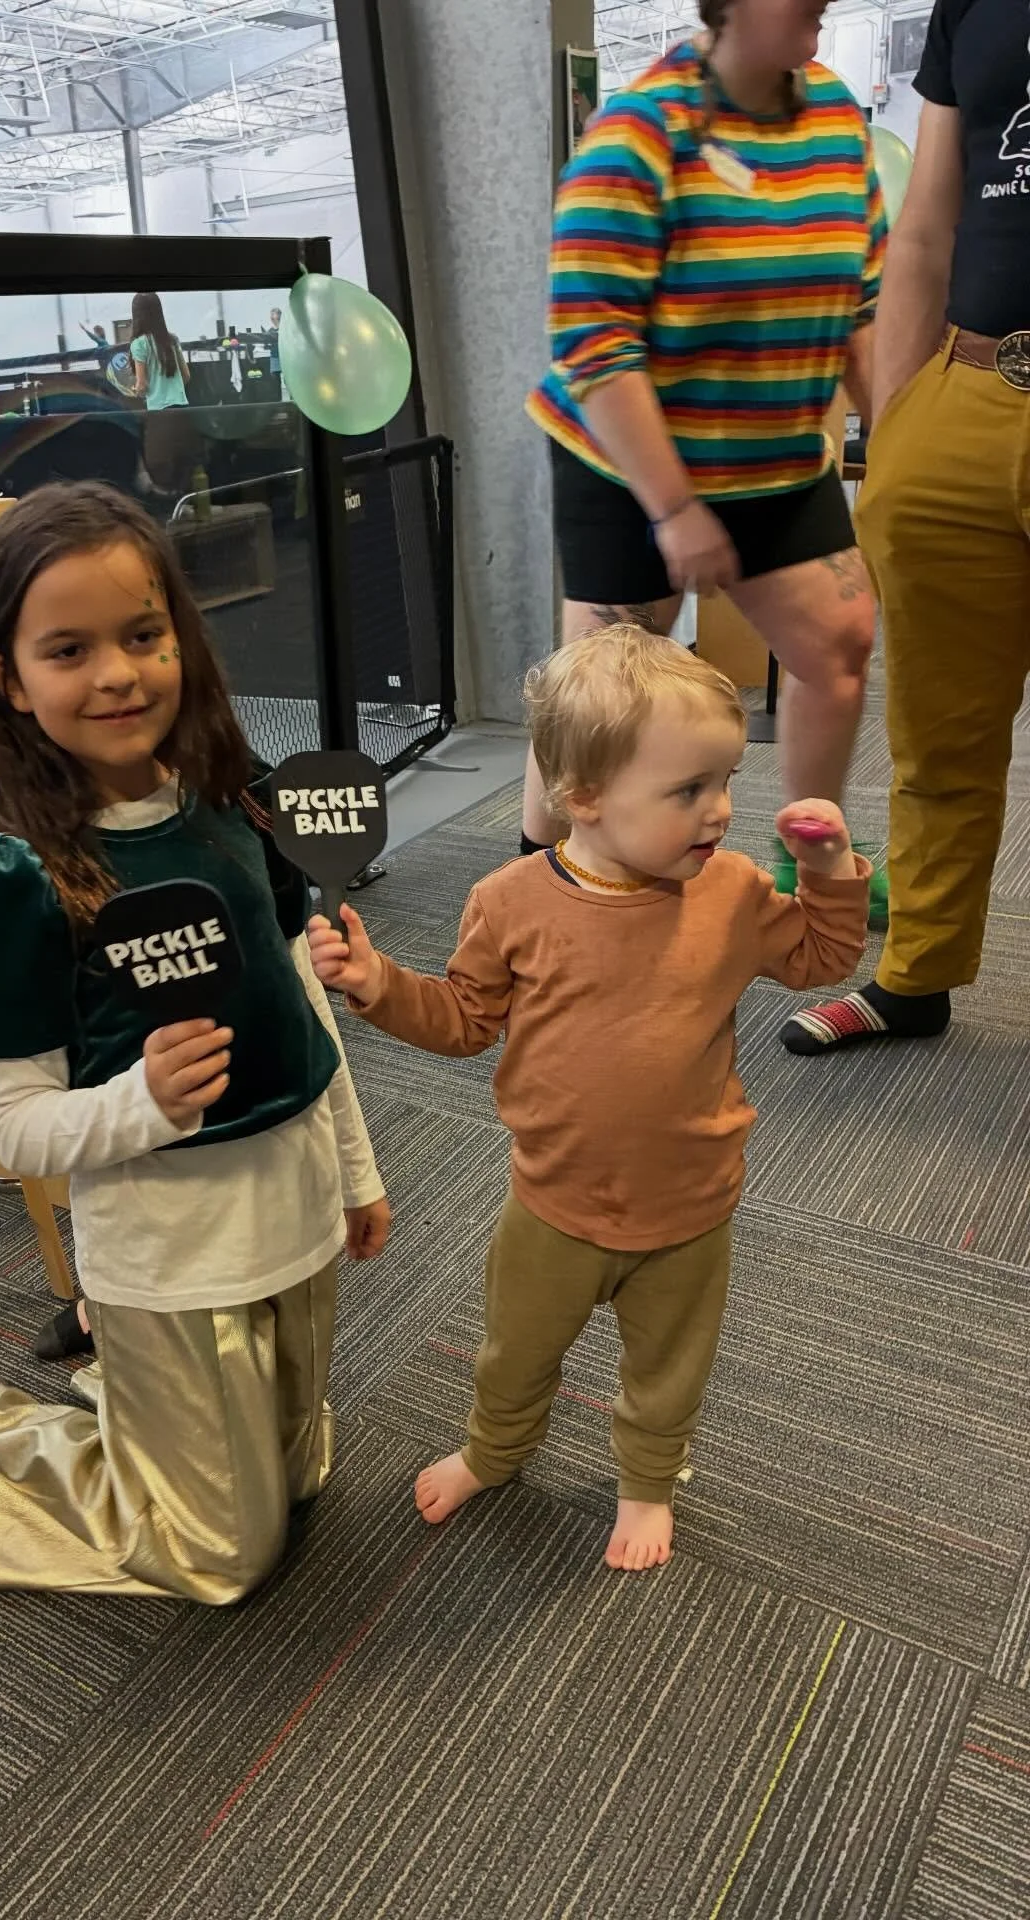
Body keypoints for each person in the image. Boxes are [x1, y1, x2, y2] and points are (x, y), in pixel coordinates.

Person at [310, 629, 868, 1570]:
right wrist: (374, 981)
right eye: (688, 790)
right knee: (513, 1352)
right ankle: (495, 1451)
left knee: (667, 1372)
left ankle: (648, 1483)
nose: (722, 811)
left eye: (726, 780)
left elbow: (822, 959)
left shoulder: (728, 890)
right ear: (585, 798)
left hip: (691, 1206)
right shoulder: (510, 901)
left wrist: (827, 873)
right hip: (553, 1204)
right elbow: (462, 1020)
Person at [0, 481, 390, 1602]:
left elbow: (299, 1009)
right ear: (10, 681)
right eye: (70, 650)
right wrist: (146, 1099)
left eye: (142, 635)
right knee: (220, 1555)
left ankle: (132, 1398)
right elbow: (14, 1124)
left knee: (300, 1477)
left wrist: (357, 1173)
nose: (118, 674)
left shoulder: (235, 805)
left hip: (287, 1221)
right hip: (167, 1257)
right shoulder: (21, 877)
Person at [521, 0, 888, 926]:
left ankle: (811, 847)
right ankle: (539, 877)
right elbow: (596, 349)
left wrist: (896, 433)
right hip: (633, 461)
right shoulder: (639, 136)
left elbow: (864, 302)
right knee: (600, 699)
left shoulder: (838, 118)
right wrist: (675, 509)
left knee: (838, 642)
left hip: (777, 459)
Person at [781, 0, 1030, 1056]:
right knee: (938, 737)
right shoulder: (971, 2)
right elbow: (926, 223)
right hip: (965, 392)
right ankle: (915, 978)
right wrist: (896, 433)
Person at [129, 292, 190, 410]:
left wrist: (135, 390)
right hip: (182, 406)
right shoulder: (172, 339)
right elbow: (186, 376)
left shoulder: (139, 344)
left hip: (158, 410)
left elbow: (142, 386)